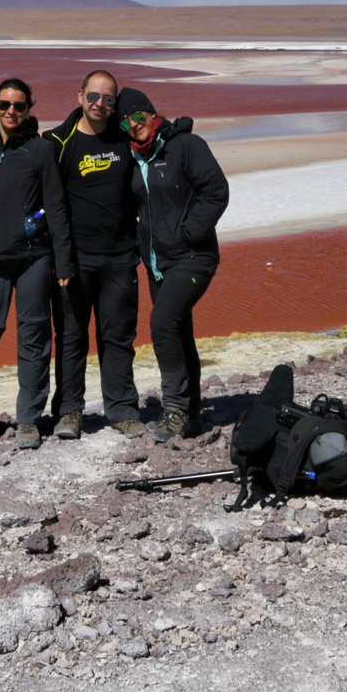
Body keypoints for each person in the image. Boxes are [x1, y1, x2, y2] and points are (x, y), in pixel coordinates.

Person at [0, 77, 75, 450]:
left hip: (33, 260)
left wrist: (64, 261)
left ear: (29, 109)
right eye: (5, 105)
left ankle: (28, 418)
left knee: (33, 340)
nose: (12, 111)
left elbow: (56, 206)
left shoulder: (40, 150)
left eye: (20, 106)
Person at [117, 86, 229, 443]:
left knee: (163, 323)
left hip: (193, 256)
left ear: (151, 113)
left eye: (137, 116)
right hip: (157, 262)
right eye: (125, 121)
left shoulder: (185, 146)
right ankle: (193, 414)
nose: (133, 125)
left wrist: (188, 232)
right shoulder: (134, 158)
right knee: (179, 333)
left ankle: (176, 411)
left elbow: (216, 191)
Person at [45, 69, 146, 438]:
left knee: (118, 336)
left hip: (119, 258)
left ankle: (121, 409)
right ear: (80, 96)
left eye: (108, 99)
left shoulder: (124, 141)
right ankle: (70, 411)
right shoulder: (58, 141)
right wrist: (59, 259)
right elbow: (50, 205)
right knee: (72, 338)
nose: (99, 104)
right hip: (74, 262)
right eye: (93, 96)